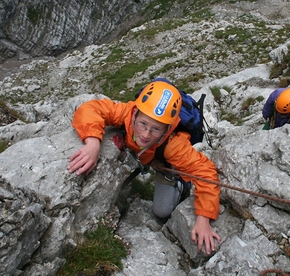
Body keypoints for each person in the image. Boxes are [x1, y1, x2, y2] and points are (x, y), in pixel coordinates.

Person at [67, 81, 221, 254]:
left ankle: (178, 183)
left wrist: (203, 218)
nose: (146, 134)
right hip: (146, 156)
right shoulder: (126, 113)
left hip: (165, 164)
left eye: (156, 129)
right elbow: (90, 108)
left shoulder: (174, 146)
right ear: (135, 114)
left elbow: (205, 171)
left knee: (161, 211)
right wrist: (93, 142)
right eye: (143, 124)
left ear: (168, 128)